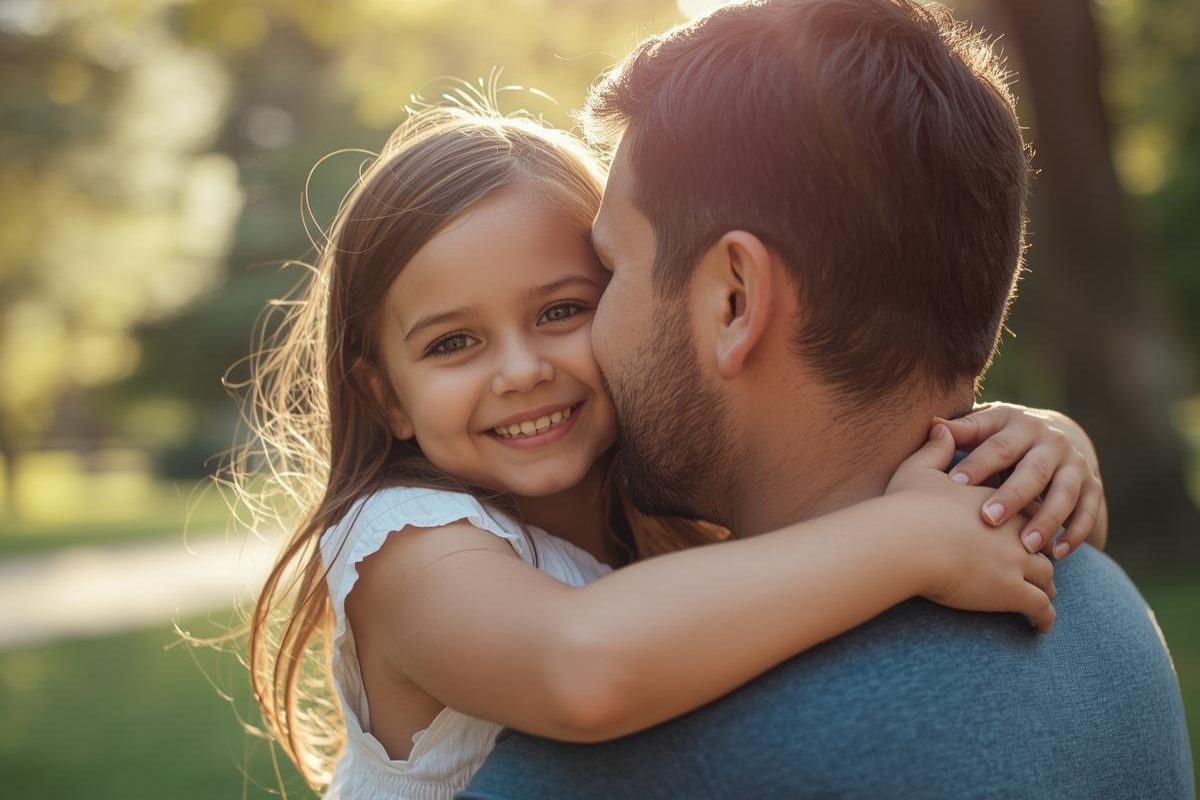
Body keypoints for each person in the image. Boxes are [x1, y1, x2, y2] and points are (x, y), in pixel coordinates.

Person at [233, 98, 1111, 798]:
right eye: (453, 344)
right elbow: (580, 667)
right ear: (385, 396)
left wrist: (1038, 445)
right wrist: (917, 536)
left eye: (561, 310)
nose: (521, 371)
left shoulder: (653, 514)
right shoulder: (401, 542)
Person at [459, 1, 1195, 798]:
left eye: (609, 272)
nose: (578, 346)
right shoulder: (1100, 603)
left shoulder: (636, 760)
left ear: (734, 300)